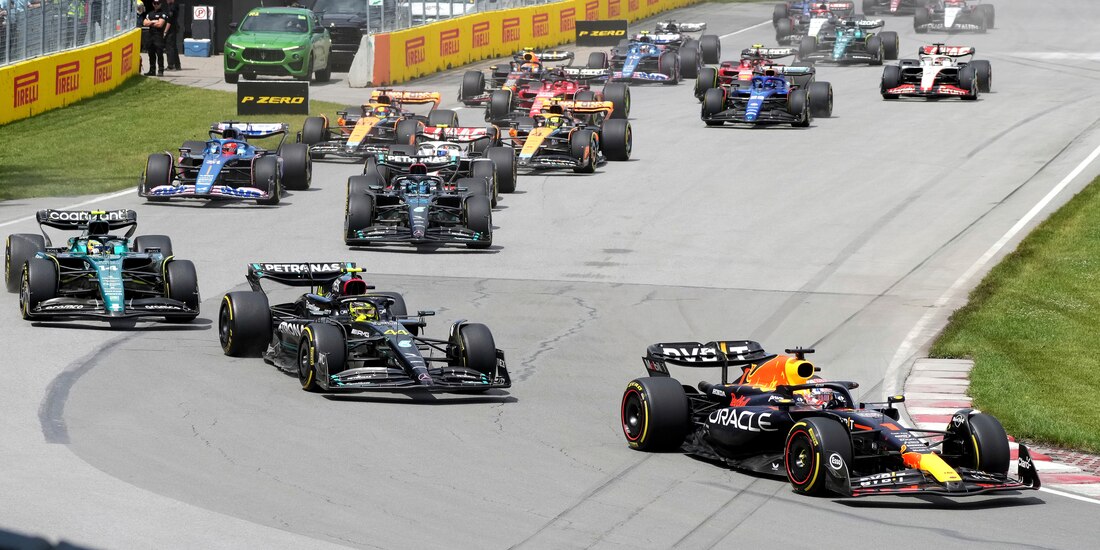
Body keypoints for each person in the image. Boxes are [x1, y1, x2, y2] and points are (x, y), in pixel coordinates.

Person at [142, 0, 170, 76]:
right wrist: (154, 22)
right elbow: (144, 23)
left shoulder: (163, 13)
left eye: (158, 3)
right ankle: (152, 70)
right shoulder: (150, 13)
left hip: (158, 36)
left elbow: (160, 25)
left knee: (159, 54)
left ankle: (161, 70)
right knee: (151, 54)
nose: (156, 5)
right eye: (155, 3)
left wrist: (150, 22)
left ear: (160, 4)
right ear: (152, 4)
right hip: (150, 35)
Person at [163, 0, 180, 70]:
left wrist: (165, 31)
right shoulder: (174, 5)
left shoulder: (172, 7)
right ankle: (177, 65)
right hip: (174, 29)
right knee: (174, 47)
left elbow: (169, 21)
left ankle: (171, 65)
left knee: (169, 48)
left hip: (171, 30)